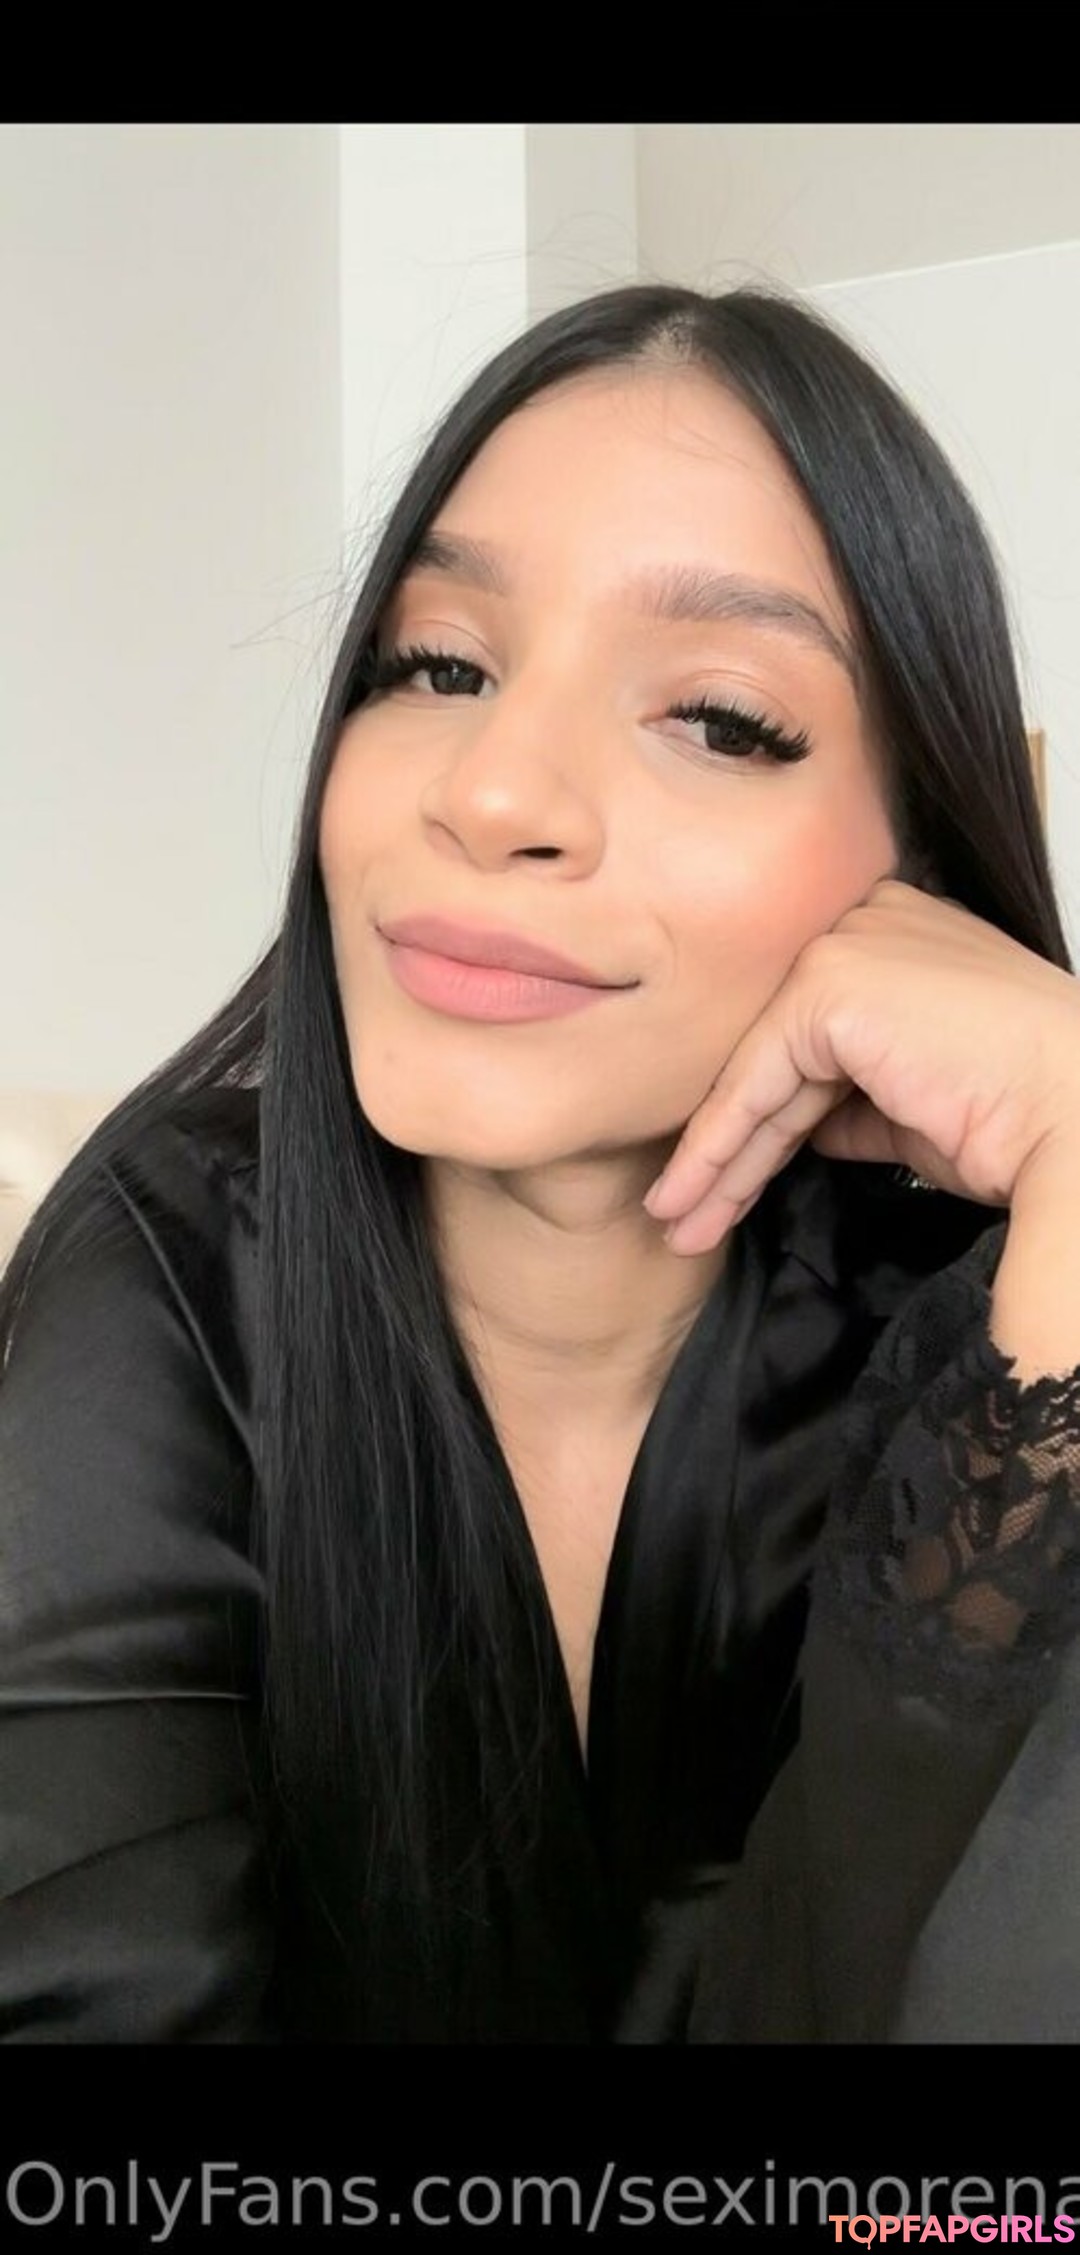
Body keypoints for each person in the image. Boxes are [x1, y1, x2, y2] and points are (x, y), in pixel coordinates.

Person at [2, 281, 1079, 2046]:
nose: (493, 792)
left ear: (922, 884)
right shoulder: (169, 1268)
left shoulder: (996, 1343)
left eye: (718, 716)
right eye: (441, 665)